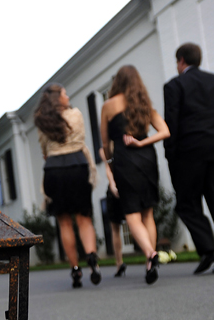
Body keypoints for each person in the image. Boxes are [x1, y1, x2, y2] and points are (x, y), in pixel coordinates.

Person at [163, 42, 214, 274]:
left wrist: (171, 156)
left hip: (189, 154)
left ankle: (208, 248)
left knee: (187, 203)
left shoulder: (174, 86)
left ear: (181, 61)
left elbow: (171, 124)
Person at [100, 65, 170, 285]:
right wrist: (142, 142)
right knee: (147, 213)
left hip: (124, 160)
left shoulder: (109, 106)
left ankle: (150, 253)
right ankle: (151, 260)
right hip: (148, 159)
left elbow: (104, 142)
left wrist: (110, 160)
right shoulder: (144, 105)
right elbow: (165, 131)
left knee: (132, 214)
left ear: (117, 82)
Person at [35, 84, 101, 288]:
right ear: (58, 98)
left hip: (54, 169)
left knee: (64, 222)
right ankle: (91, 258)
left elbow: (44, 151)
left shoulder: (43, 121)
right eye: (64, 93)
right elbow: (81, 141)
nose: (68, 96)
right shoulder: (76, 115)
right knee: (84, 218)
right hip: (78, 165)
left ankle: (75, 269)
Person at [104, 185, 127, 277]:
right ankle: (149, 260)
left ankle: (119, 263)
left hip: (114, 188)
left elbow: (108, 171)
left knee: (115, 229)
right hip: (131, 182)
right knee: (139, 221)